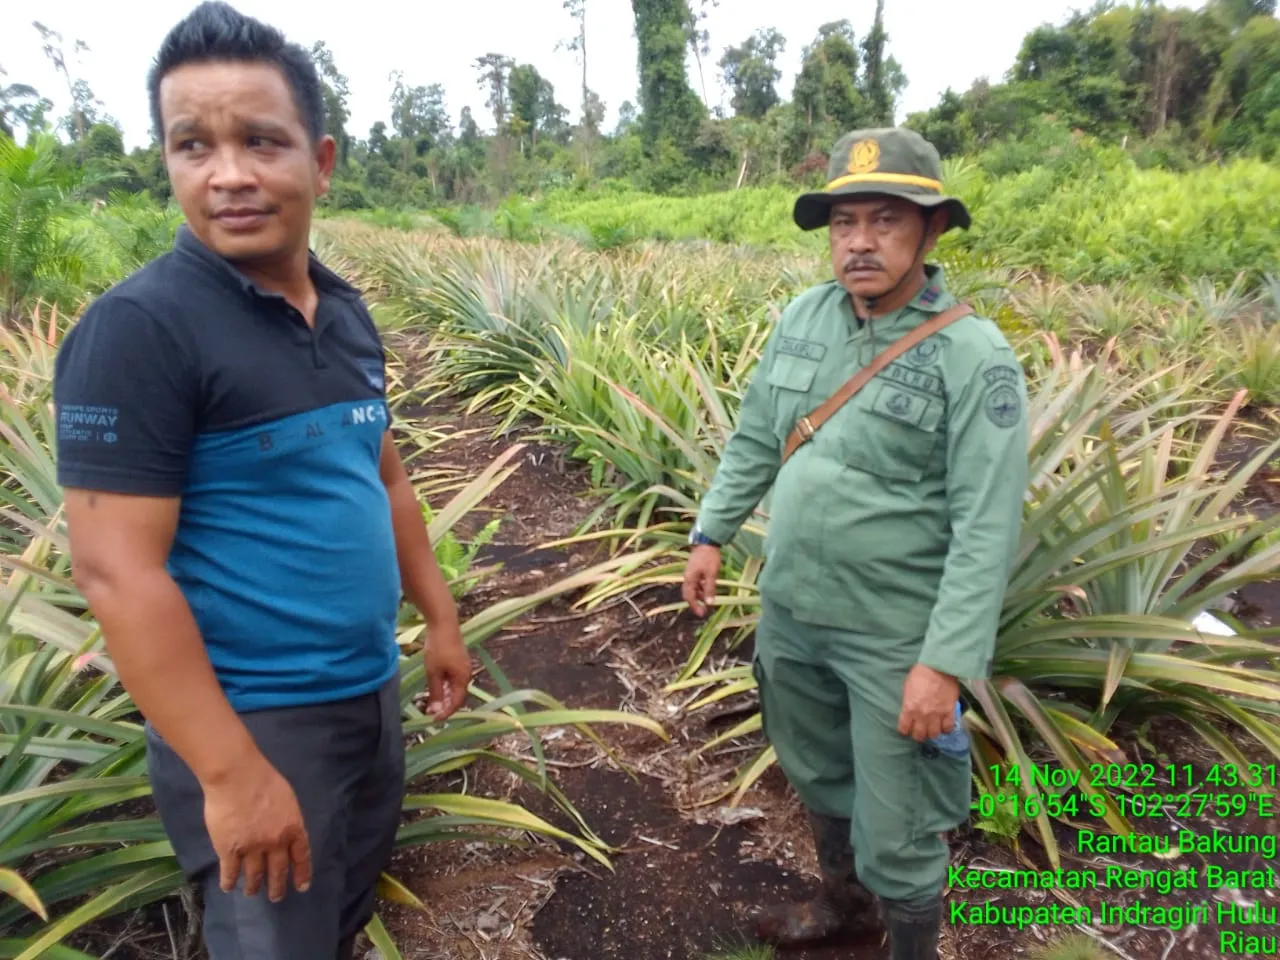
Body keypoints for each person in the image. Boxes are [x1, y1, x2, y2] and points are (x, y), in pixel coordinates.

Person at [52, 4, 472, 958]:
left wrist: (440, 620)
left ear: (320, 163)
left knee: (339, 916)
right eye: (192, 144)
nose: (228, 173)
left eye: (260, 141)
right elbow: (116, 571)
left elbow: (383, 474)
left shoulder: (344, 312)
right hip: (254, 719)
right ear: (167, 161)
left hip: (367, 690)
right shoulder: (139, 331)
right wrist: (231, 773)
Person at [681, 127, 1028, 958]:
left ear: (931, 230)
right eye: (844, 222)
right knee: (819, 776)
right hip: (794, 615)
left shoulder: (973, 356)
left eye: (885, 220)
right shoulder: (806, 316)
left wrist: (944, 664)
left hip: (893, 638)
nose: (860, 242)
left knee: (901, 830)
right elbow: (757, 436)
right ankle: (846, 911)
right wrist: (712, 531)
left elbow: (987, 526)